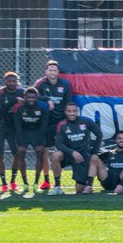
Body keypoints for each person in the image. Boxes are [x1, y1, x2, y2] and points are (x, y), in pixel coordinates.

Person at [34, 60, 74, 191]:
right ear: (46, 72)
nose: (52, 72)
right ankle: (46, 181)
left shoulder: (65, 84)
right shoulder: (40, 84)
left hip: (60, 124)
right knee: (43, 152)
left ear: (58, 72)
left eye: (55, 70)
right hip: (46, 124)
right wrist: (47, 100)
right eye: (50, 70)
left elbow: (69, 104)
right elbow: (31, 96)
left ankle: (60, 181)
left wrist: (67, 122)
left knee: (61, 152)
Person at [51, 103, 102, 195]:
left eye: (74, 111)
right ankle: (57, 186)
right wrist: (72, 152)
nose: (72, 113)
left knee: (79, 189)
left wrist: (94, 153)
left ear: (77, 111)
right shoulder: (62, 124)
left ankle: (86, 184)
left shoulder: (86, 121)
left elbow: (99, 135)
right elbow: (58, 144)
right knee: (55, 155)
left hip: (82, 156)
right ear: (65, 112)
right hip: (68, 154)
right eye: (69, 111)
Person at [0, 72, 25, 193]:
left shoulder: (21, 92)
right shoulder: (0, 92)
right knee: (0, 155)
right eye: (9, 81)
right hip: (0, 127)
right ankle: (3, 183)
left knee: (16, 154)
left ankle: (12, 181)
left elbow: (32, 101)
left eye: (14, 81)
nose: (12, 83)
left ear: (17, 82)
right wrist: (15, 104)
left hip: (14, 128)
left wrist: (24, 102)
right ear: (5, 82)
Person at [13, 87, 48, 193]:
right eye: (29, 97)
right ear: (25, 97)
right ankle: (25, 183)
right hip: (23, 133)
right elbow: (18, 126)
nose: (31, 99)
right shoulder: (20, 109)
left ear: (36, 97)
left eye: (33, 97)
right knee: (20, 154)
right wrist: (20, 138)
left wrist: (39, 136)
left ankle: (36, 183)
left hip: (37, 133)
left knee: (40, 155)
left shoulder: (41, 109)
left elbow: (43, 125)